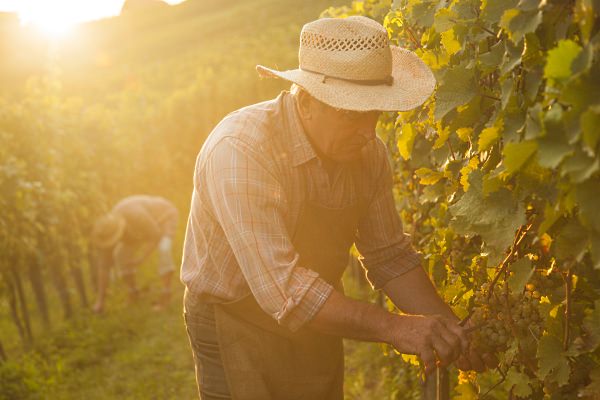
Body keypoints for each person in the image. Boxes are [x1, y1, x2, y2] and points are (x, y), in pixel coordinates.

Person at [181, 16, 495, 400]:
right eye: (352, 114)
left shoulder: (368, 154)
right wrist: (396, 328)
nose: (367, 132)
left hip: (318, 314)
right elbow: (285, 290)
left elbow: (389, 255)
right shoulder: (241, 150)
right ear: (308, 101)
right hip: (234, 317)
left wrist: (450, 329)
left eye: (375, 113)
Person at [91, 194, 178, 313]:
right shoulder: (108, 229)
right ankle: (134, 292)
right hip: (138, 230)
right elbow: (104, 267)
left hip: (164, 216)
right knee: (120, 255)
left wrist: (141, 259)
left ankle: (166, 293)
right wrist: (100, 301)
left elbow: (155, 235)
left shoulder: (136, 216)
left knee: (164, 248)